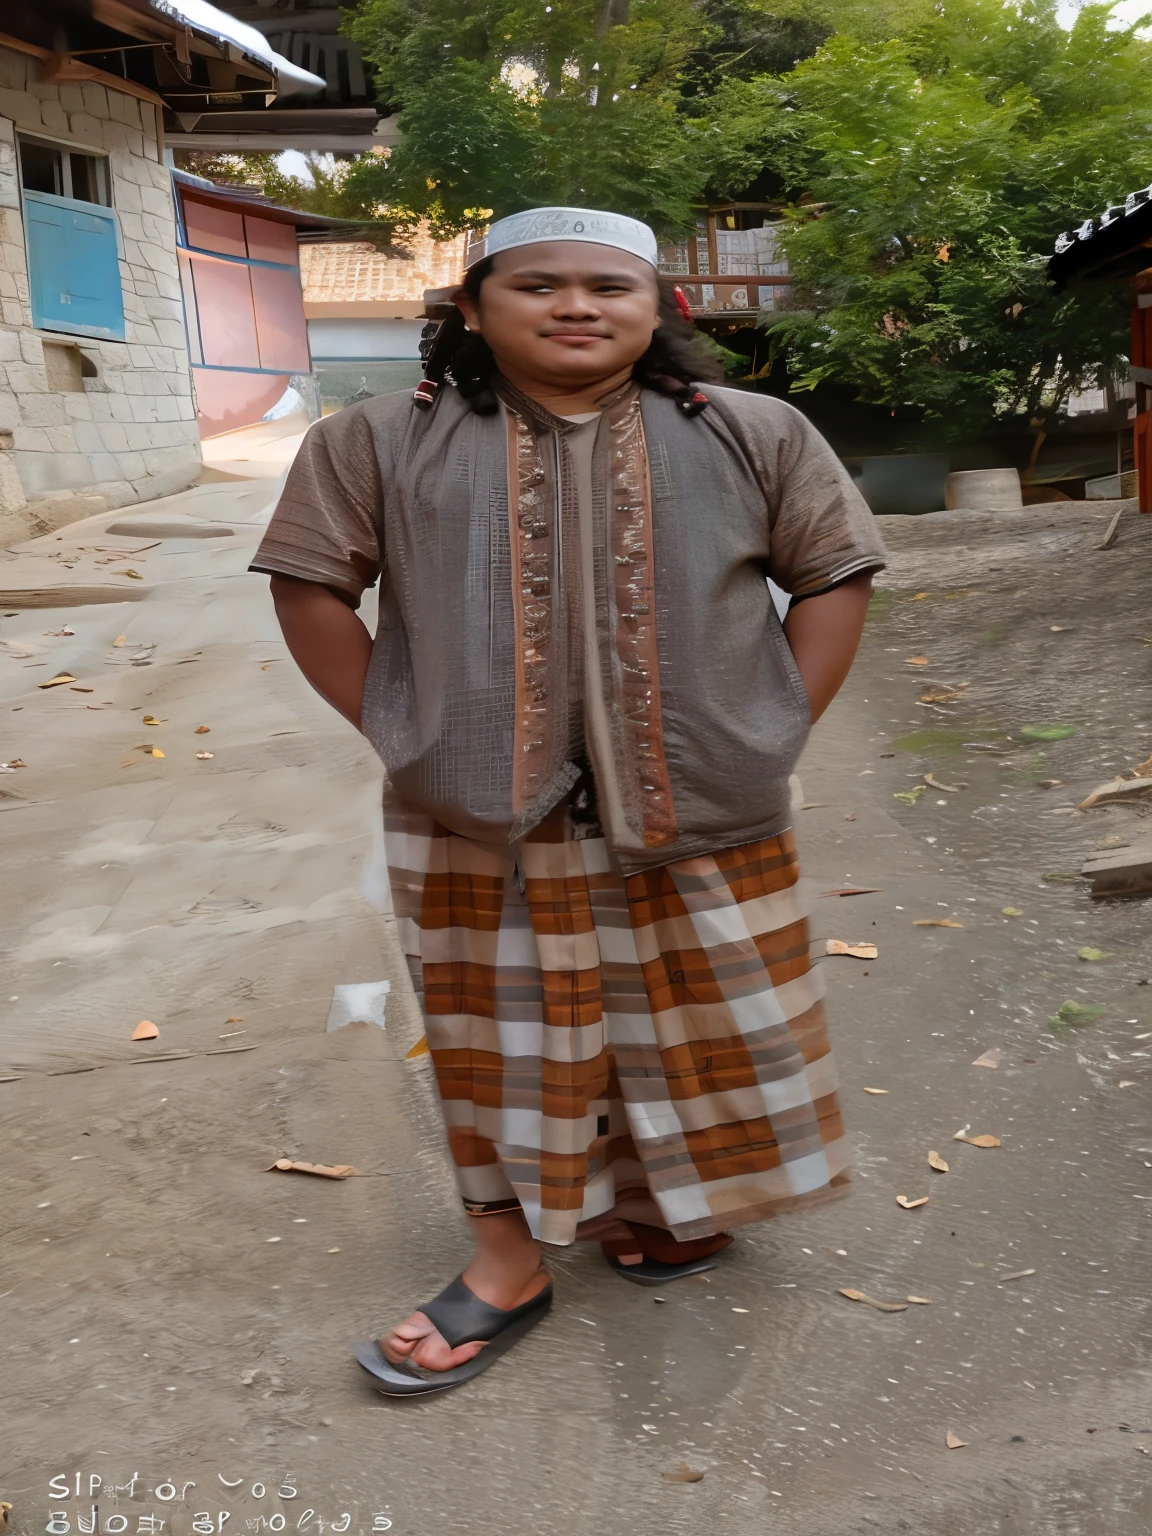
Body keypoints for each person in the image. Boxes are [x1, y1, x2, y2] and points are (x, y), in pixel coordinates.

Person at [251, 205, 886, 1397]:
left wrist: (773, 730)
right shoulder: (381, 438)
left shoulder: (757, 432)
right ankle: (507, 1259)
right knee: (506, 1039)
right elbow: (309, 585)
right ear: (474, 308)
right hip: (476, 812)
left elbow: (834, 574)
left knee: (698, 1022)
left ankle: (674, 1208)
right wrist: (404, 734)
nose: (577, 305)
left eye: (610, 286)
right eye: (538, 284)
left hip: (704, 802)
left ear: (659, 310)